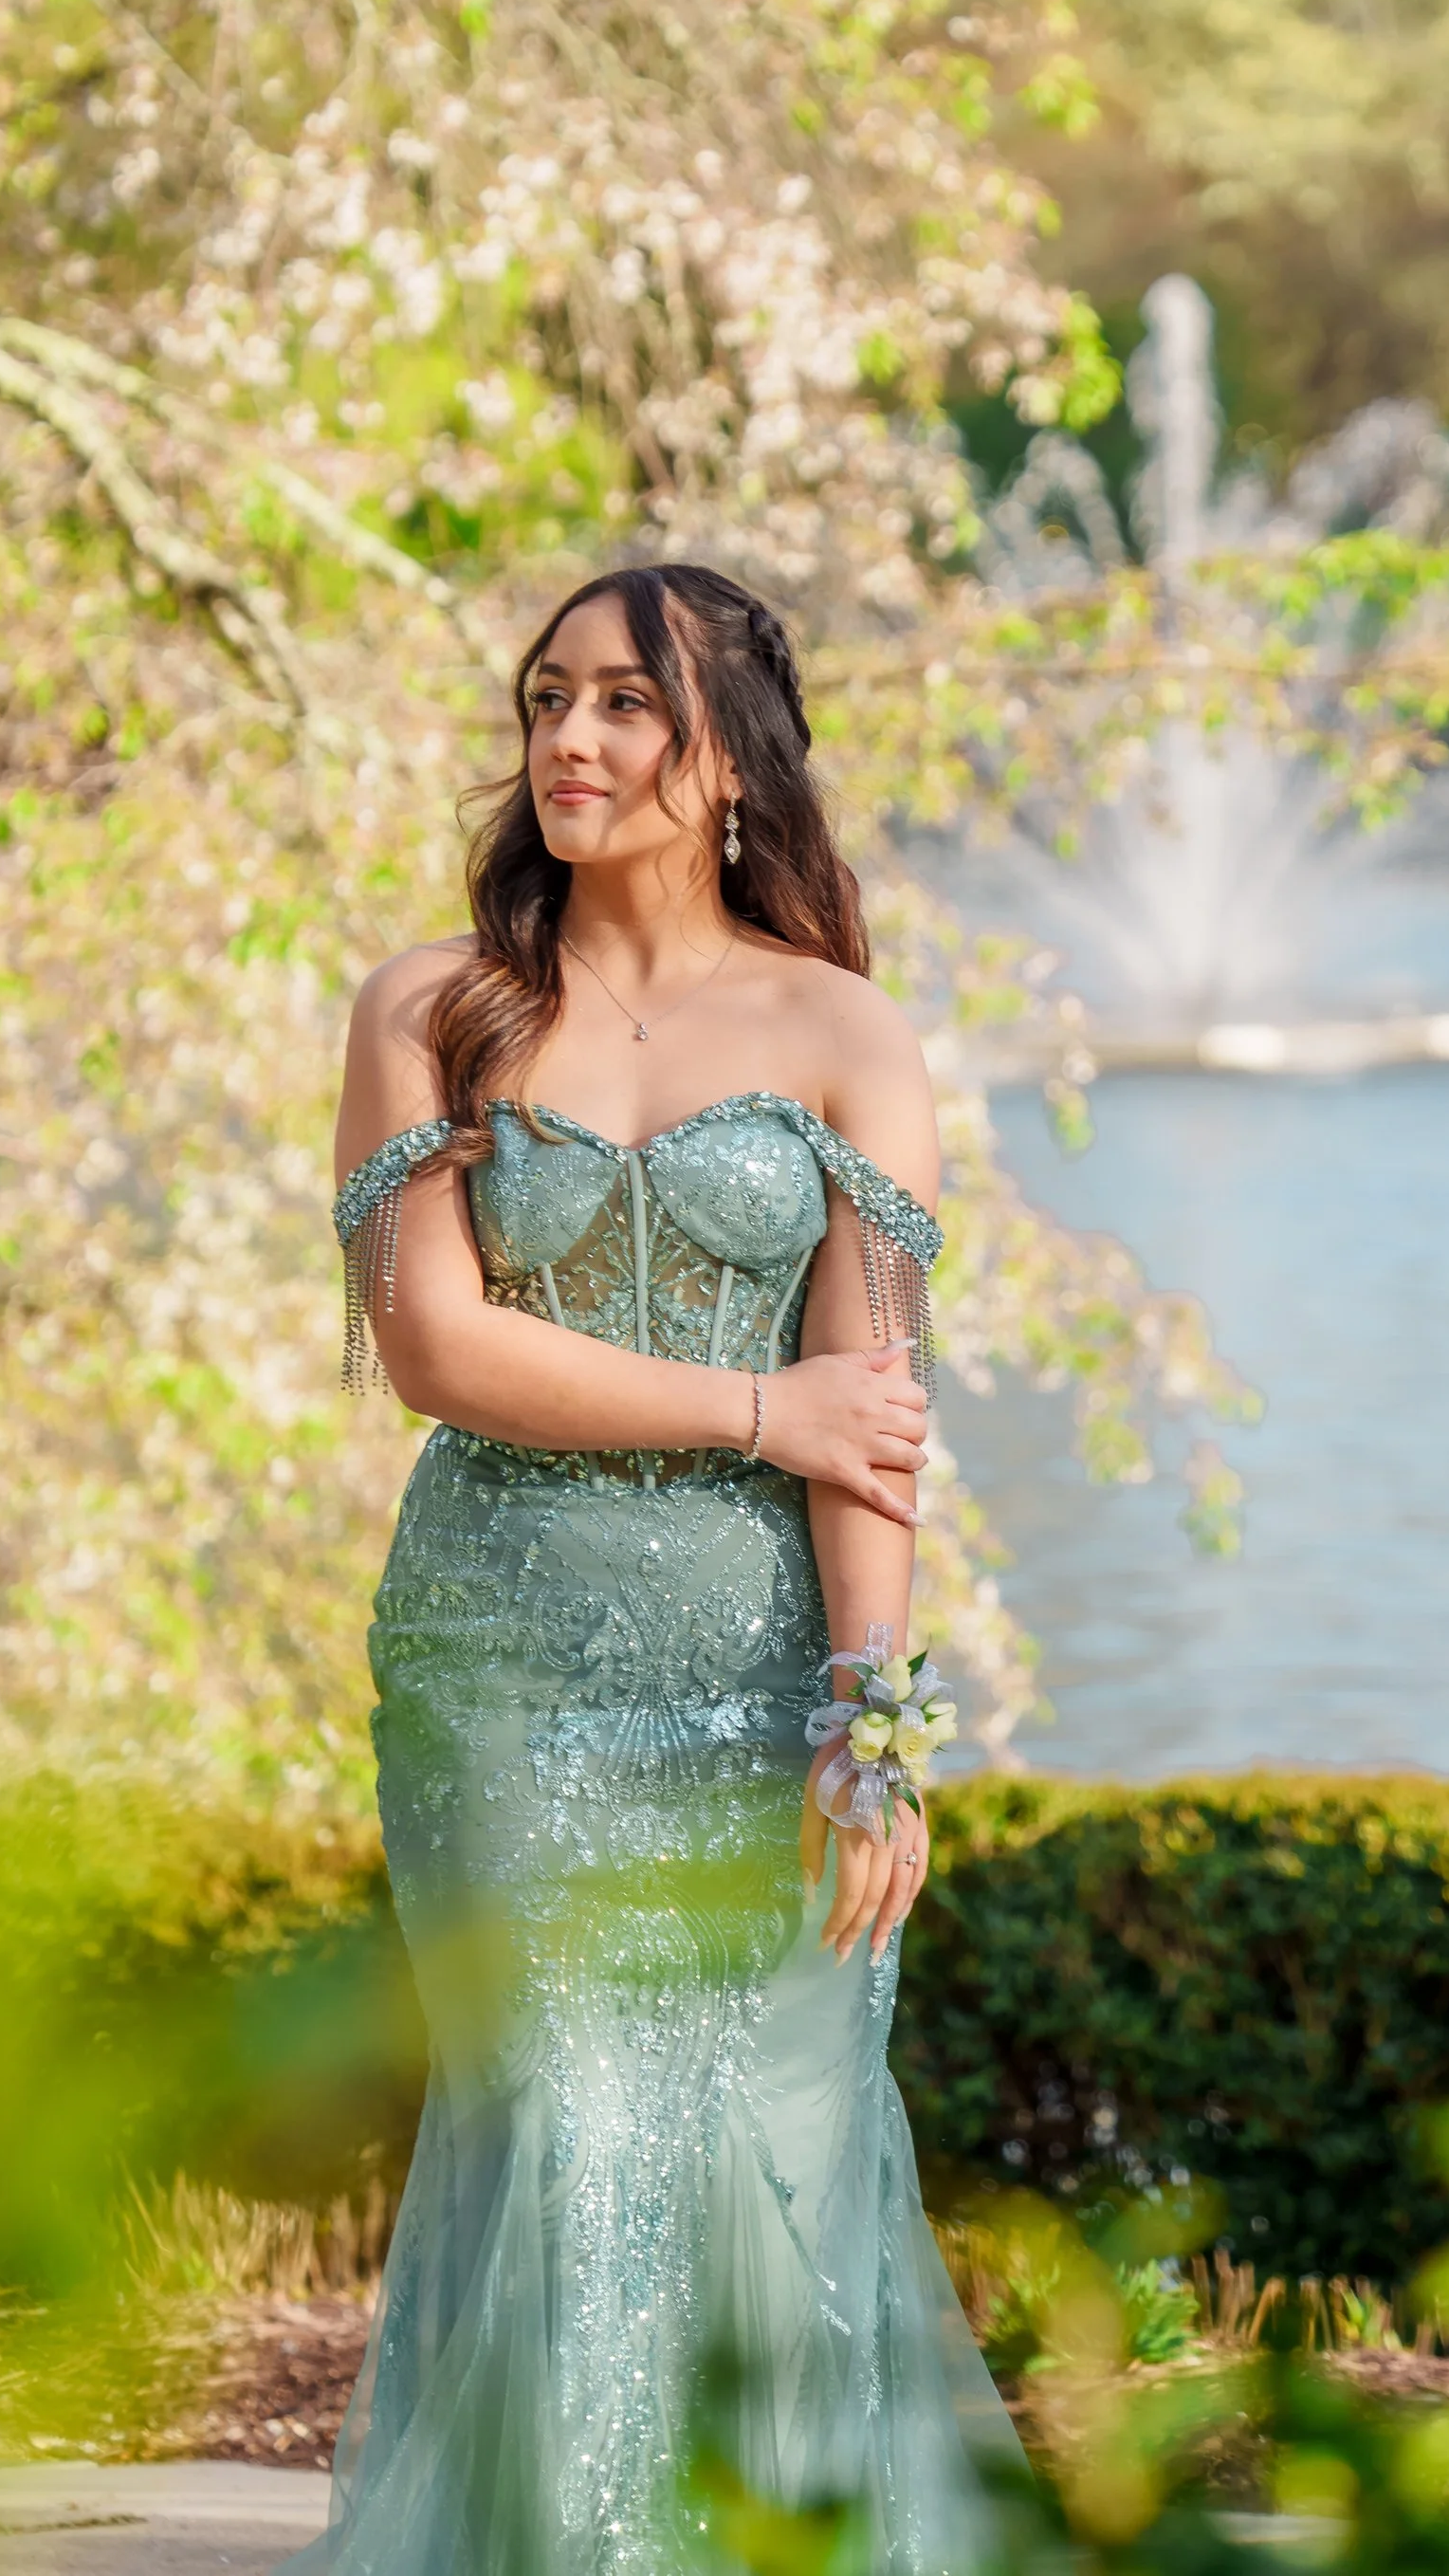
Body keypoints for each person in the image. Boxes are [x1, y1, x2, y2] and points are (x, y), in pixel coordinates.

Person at [294, 562, 1020, 2576]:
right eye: (545, 702)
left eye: (622, 706)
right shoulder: (430, 1010)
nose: (568, 743)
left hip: (763, 1670)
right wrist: (746, 1411)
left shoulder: (843, 1030)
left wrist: (868, 1730)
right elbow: (436, 1349)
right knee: (558, 2121)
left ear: (726, 760)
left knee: (775, 2137)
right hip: (500, 1658)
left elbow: (870, 1424)